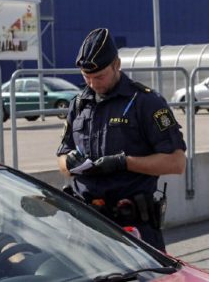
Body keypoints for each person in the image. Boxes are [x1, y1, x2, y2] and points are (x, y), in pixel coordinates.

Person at [56, 28, 186, 251]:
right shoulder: (79, 104)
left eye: (99, 76)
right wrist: (69, 162)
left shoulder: (146, 102)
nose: (92, 83)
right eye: (86, 77)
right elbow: (61, 157)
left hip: (132, 229)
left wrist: (124, 162)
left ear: (117, 64)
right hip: (86, 227)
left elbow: (176, 163)